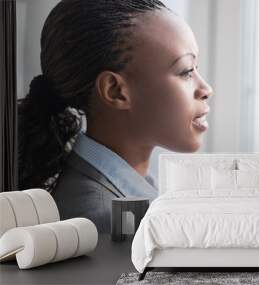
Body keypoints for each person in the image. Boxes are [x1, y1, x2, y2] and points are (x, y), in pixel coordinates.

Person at [17, 0, 213, 233]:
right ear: (116, 91)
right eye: (186, 71)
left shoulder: (131, 191)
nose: (206, 89)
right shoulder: (109, 222)